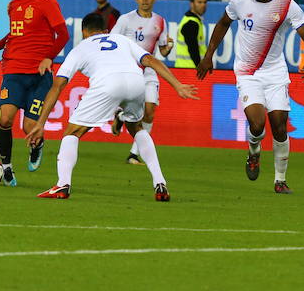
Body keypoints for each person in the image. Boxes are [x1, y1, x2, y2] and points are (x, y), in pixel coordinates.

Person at [25, 12, 198, 200]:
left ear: (84, 32)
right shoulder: (120, 39)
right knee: (137, 128)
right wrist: (177, 84)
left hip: (107, 84)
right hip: (136, 82)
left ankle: (62, 185)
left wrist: (40, 123)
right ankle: (160, 183)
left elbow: (57, 86)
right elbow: (150, 60)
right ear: (106, 31)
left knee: (72, 132)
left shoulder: (80, 48)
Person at [196, 0, 304, 194]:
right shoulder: (239, 1)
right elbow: (222, 24)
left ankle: (280, 180)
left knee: (280, 127)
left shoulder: (287, 6)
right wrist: (208, 55)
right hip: (247, 73)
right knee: (257, 123)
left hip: (275, 73)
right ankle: (254, 151)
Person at [0, 0, 70, 187]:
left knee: (29, 128)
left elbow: (63, 35)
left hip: (39, 77)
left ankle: (37, 144)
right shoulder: (13, 5)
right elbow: (15, 35)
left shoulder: (46, 1)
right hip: (13, 71)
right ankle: (7, 167)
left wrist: (49, 57)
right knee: (6, 118)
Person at [109, 0, 174, 164]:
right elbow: (113, 41)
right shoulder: (125, 19)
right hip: (130, 71)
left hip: (149, 71)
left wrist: (169, 47)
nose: (145, 0)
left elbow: (162, 50)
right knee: (134, 109)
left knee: (150, 112)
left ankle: (133, 154)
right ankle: (121, 116)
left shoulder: (160, 21)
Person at [175, 0, 208, 70]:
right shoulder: (191, 23)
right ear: (192, 4)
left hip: (184, 67)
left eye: (204, 2)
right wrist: (199, 66)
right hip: (189, 69)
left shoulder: (188, 19)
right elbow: (193, 48)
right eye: (199, 2)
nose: (203, 5)